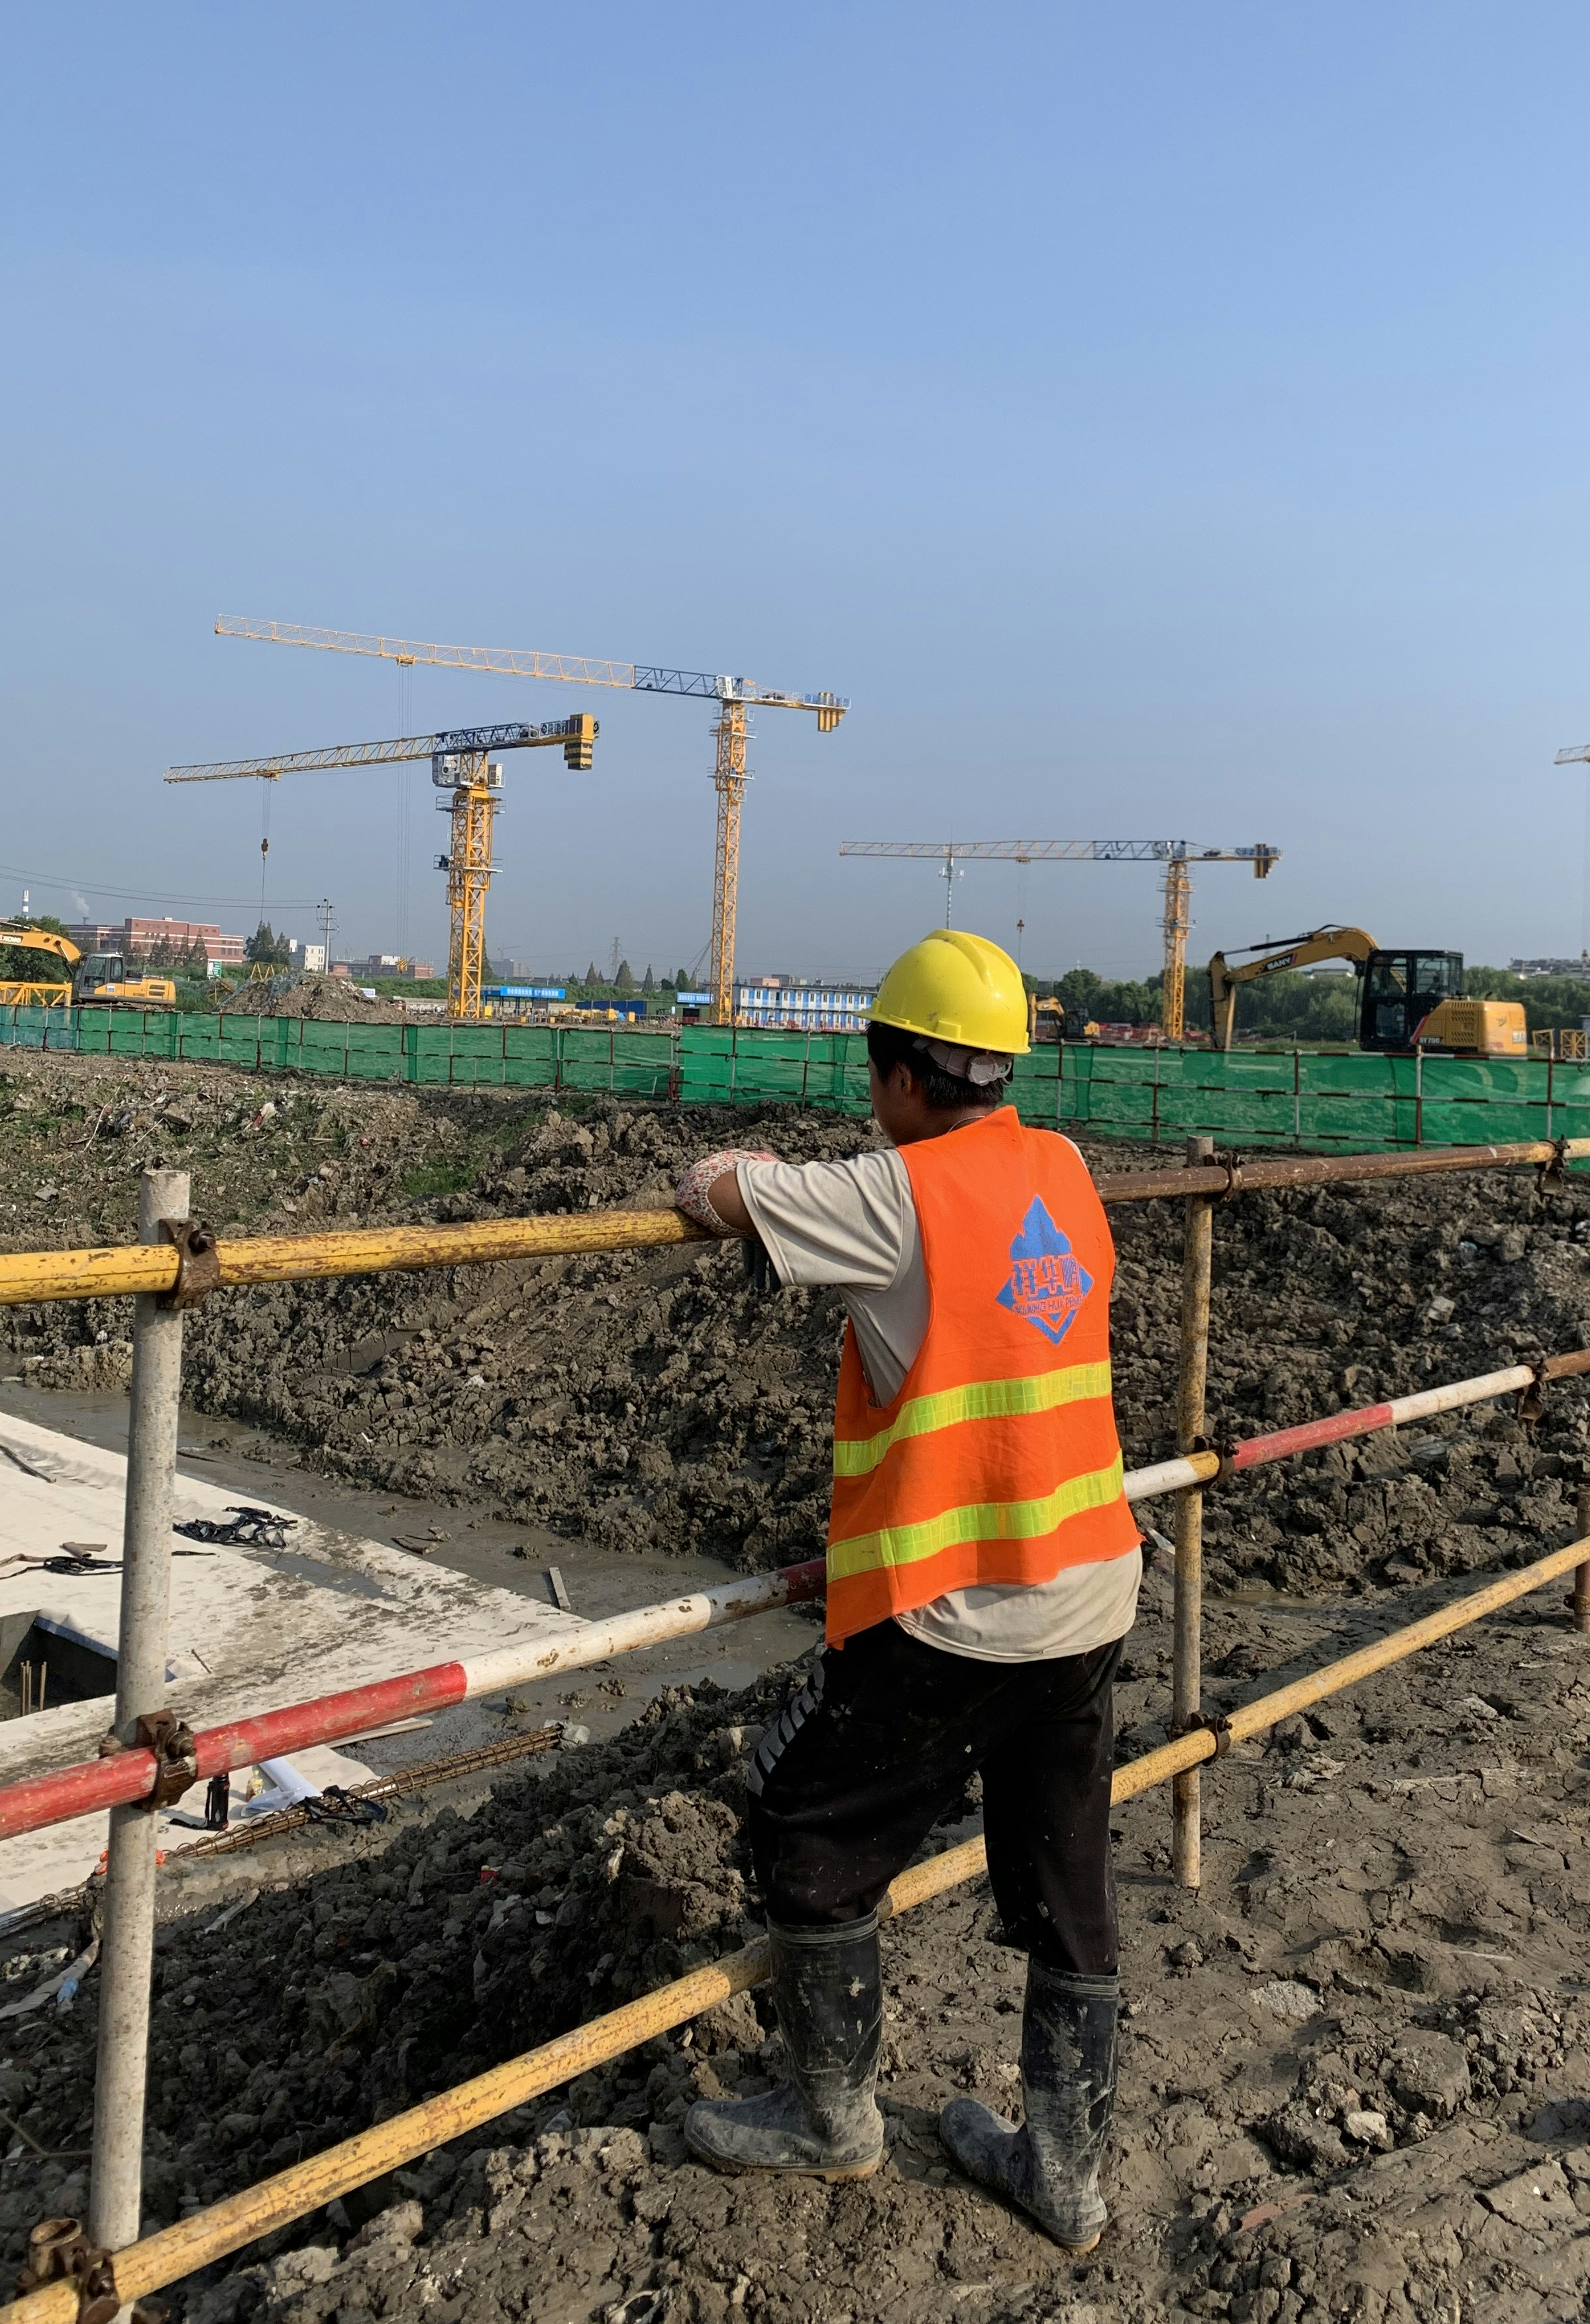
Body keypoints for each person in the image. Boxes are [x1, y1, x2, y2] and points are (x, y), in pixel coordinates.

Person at [671, 930, 1141, 2251]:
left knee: (806, 1848)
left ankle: (830, 2123)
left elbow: (720, 1189)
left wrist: (722, 1167)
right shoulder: (1063, 1168)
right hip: (1091, 1584)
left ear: (901, 1078)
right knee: (1066, 1883)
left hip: (959, 1607)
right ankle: (1064, 2174)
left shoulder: (897, 1195)